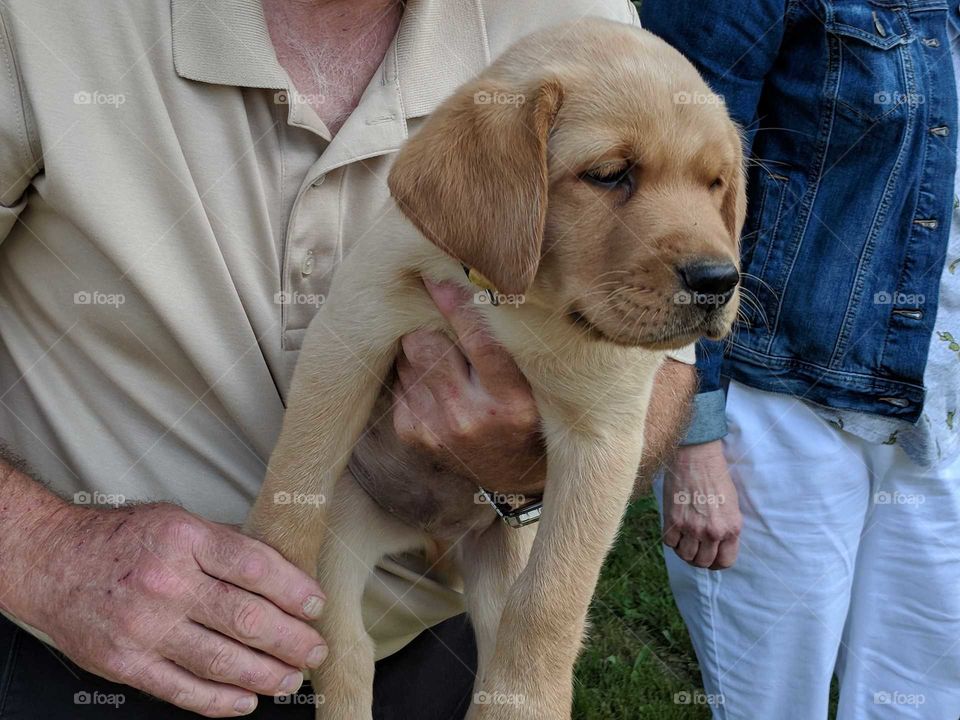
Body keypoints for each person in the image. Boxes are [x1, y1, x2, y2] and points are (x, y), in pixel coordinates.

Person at [0, 1, 697, 718]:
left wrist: (525, 466)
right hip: (90, 654)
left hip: (431, 656)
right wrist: (43, 550)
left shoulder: (580, 18)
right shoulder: (40, 19)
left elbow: (666, 362)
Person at [641, 1, 960, 718]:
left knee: (924, 700)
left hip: (938, 412)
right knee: (773, 704)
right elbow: (668, 201)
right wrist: (694, 437)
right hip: (780, 400)